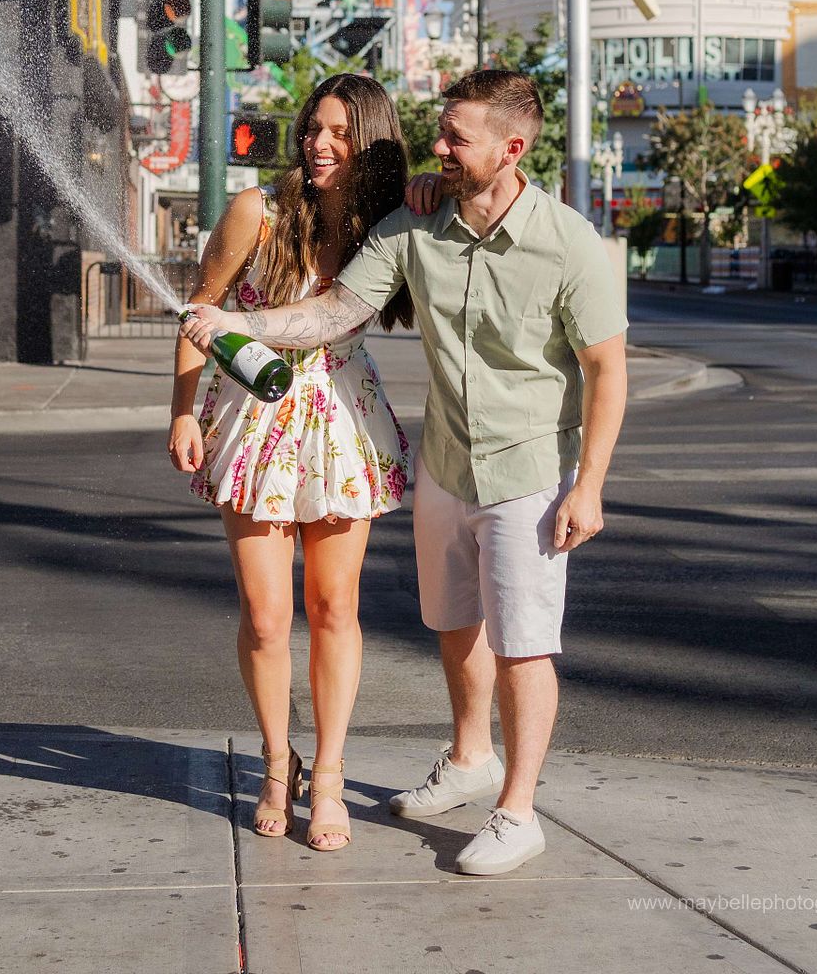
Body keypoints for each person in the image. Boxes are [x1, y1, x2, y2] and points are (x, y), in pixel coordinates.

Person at [181, 68, 627, 878]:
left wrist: (589, 483)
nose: (440, 148)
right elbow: (334, 312)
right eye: (441, 132)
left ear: (512, 149)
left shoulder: (568, 242)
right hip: (447, 465)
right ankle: (469, 759)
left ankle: (517, 811)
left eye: (457, 137)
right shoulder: (415, 224)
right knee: (454, 622)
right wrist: (236, 328)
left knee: (524, 645)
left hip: (529, 467)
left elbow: (606, 369)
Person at [168, 73, 412, 852]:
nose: (319, 143)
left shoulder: (387, 226)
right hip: (253, 419)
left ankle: (330, 774)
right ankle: (279, 764)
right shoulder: (259, 212)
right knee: (267, 615)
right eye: (313, 127)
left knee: (335, 607)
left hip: (342, 418)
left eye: (340, 132)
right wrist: (181, 411)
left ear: (371, 144)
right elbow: (200, 309)